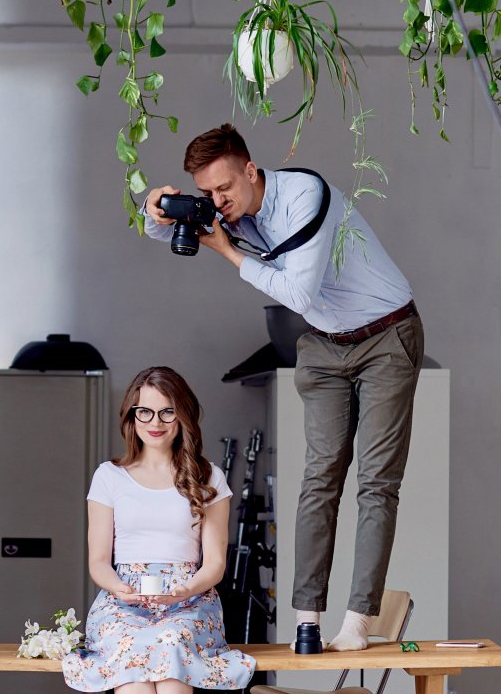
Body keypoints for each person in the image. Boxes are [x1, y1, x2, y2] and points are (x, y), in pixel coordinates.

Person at [143, 124, 421, 652]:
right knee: (319, 478)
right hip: (324, 341)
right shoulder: (229, 208)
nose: (218, 203)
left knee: (376, 482)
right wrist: (155, 207)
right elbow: (164, 229)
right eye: (207, 195)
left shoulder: (305, 197)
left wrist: (227, 251)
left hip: (387, 335)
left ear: (251, 170)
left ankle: (358, 622)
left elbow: (296, 290)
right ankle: (307, 621)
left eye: (225, 189)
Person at [61, 367, 255, 694]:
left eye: (167, 411)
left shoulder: (208, 476)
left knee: (170, 649)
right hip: (123, 595)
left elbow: (214, 564)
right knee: (131, 654)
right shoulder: (109, 477)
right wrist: (123, 591)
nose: (156, 420)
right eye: (145, 410)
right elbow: (97, 562)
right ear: (131, 416)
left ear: (183, 415)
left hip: (189, 596)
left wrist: (182, 591)